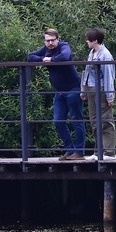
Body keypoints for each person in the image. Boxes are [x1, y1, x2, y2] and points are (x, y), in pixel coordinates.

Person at [27, 28, 86, 161]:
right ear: (44, 41)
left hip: (73, 89)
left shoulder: (64, 46)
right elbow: (30, 57)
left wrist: (50, 59)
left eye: (53, 40)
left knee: (76, 119)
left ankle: (80, 152)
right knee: (58, 121)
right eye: (47, 41)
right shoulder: (45, 50)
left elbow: (65, 56)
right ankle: (70, 150)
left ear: (58, 39)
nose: (50, 43)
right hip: (59, 92)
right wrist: (44, 59)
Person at [80, 27, 116, 160]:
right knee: (94, 121)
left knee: (106, 121)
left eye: (88, 40)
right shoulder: (92, 53)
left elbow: (108, 76)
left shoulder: (105, 54)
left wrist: (109, 95)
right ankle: (98, 151)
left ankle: (109, 152)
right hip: (91, 88)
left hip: (101, 89)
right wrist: (83, 90)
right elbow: (87, 72)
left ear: (95, 40)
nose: (86, 42)